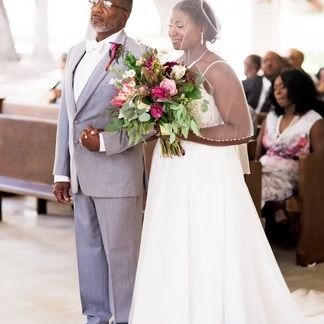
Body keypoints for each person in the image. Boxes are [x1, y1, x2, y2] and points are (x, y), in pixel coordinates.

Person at [129, 1, 322, 323]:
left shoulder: (218, 69)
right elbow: (162, 121)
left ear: (202, 29)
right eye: (171, 25)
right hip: (171, 169)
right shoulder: (169, 69)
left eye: (180, 25)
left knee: (205, 239)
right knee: (172, 239)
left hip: (206, 171)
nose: (173, 31)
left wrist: (184, 132)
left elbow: (241, 130)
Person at [53, 1, 147, 323]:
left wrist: (106, 142)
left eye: (107, 2)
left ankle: (125, 319)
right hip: (80, 177)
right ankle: (95, 317)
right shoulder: (76, 51)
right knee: (89, 256)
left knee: (122, 259)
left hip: (118, 176)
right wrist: (61, 171)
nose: (97, 7)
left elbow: (149, 122)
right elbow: (67, 114)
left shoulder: (140, 55)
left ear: (125, 12)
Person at [256, 69, 324, 217]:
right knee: (242, 182)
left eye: (283, 87)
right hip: (263, 170)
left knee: (252, 188)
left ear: (297, 88)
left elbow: (320, 163)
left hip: (291, 178)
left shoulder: (314, 121)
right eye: (275, 88)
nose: (277, 92)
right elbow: (257, 152)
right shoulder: (272, 116)